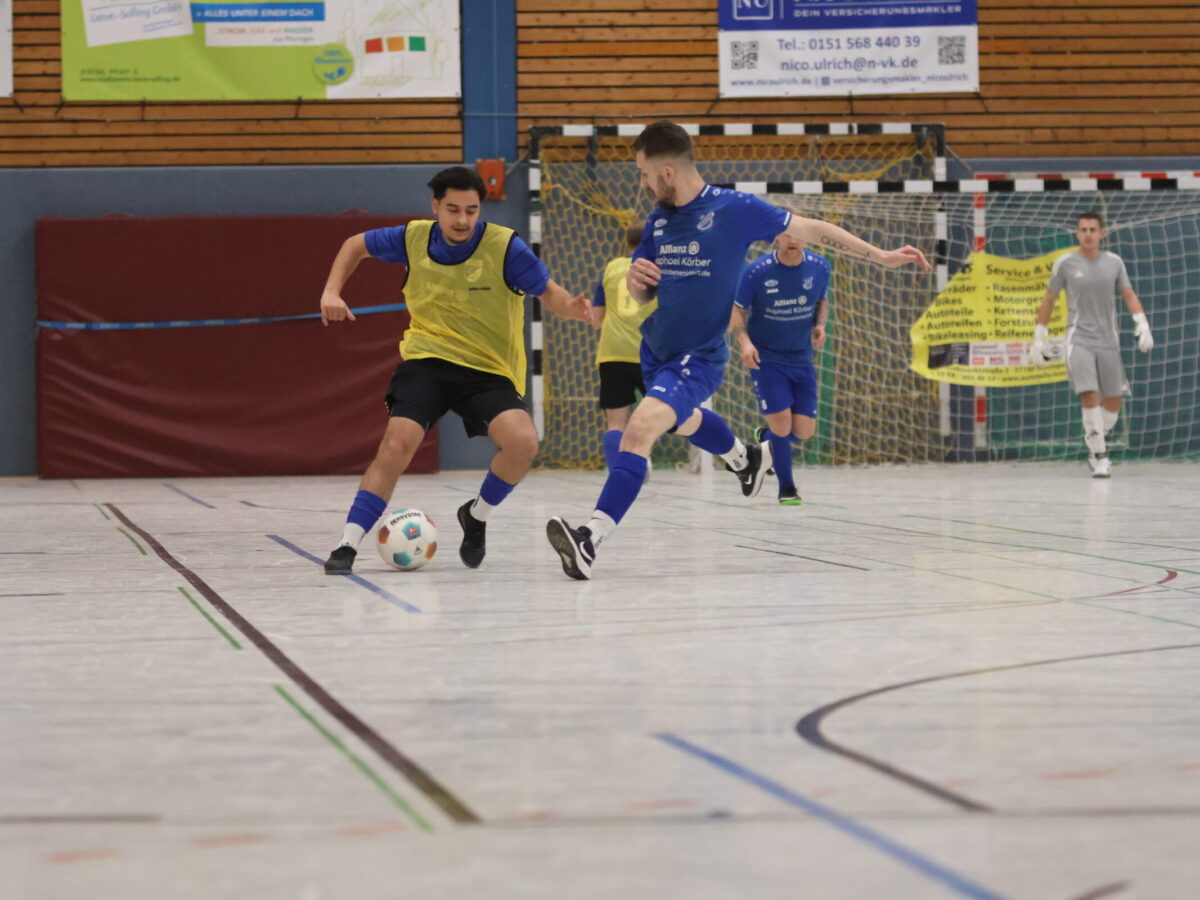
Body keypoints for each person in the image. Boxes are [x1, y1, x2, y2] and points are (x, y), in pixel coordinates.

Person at [545, 120, 929, 580]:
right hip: (656, 351)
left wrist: (881, 255)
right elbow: (645, 292)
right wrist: (635, 282)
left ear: (667, 172)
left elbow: (812, 228)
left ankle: (589, 540)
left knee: (638, 430)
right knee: (683, 421)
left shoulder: (734, 209)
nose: (642, 183)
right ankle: (746, 460)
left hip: (699, 357)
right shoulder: (659, 222)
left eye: (644, 174)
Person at [319, 166, 589, 574]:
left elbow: (549, 293)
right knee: (397, 444)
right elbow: (353, 245)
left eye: (471, 210)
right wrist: (331, 291)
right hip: (428, 360)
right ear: (435, 206)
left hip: (488, 369)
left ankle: (476, 516)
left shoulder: (506, 248)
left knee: (523, 444)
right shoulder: (413, 238)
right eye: (453, 210)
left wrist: (571, 308)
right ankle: (347, 543)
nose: (462, 220)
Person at [1029, 211, 1153, 478]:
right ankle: (1100, 457)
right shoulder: (1065, 263)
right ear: (1077, 233)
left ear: (1101, 233)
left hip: (1108, 341)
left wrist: (1142, 323)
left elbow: (1128, 293)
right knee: (1089, 394)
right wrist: (1039, 336)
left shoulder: (1114, 262)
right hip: (1079, 340)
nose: (1087, 234)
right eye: (1083, 230)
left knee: (1113, 405)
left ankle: (1094, 436)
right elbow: (1049, 299)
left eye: (1092, 230)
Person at [730, 231, 829, 505]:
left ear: (807, 238)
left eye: (798, 235)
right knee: (783, 424)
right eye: (787, 235)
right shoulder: (757, 271)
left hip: (801, 357)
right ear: (777, 238)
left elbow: (822, 300)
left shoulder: (820, 266)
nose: (792, 240)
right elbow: (737, 311)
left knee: (804, 431)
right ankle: (787, 489)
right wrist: (745, 343)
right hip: (767, 358)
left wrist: (820, 325)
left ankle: (766, 440)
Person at [591, 224, 657, 471]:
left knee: (615, 424)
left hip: (612, 354)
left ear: (627, 242)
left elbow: (596, 319)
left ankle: (617, 472)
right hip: (648, 353)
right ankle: (641, 456)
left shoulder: (610, 268)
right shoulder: (656, 269)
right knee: (658, 415)